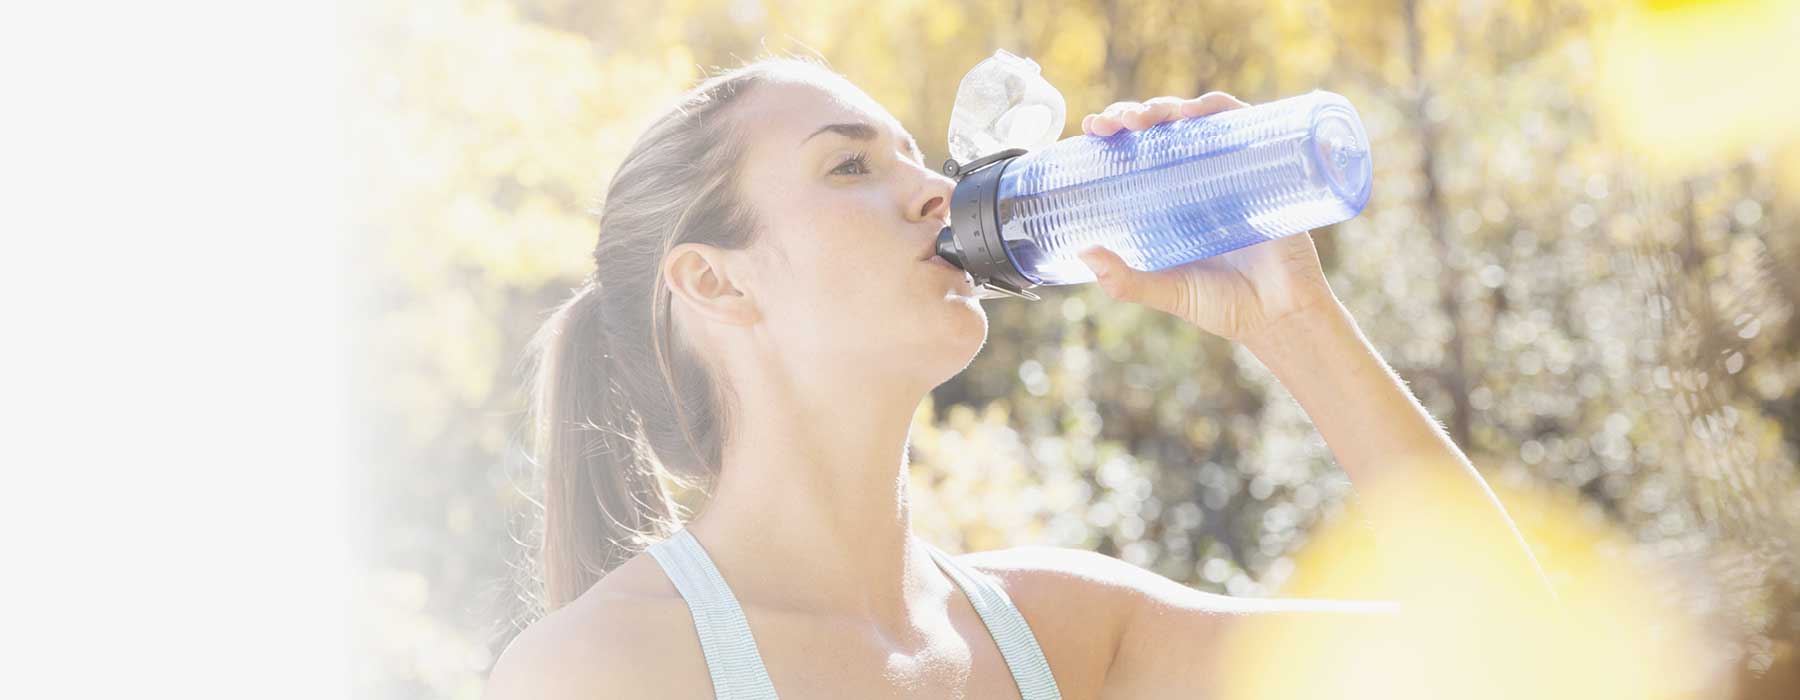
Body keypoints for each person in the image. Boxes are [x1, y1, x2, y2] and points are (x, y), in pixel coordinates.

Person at [482, 56, 1555, 699]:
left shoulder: (1064, 632)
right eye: (850, 165)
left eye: (919, 158)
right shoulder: (600, 670)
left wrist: (1296, 323)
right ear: (714, 281)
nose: (937, 193)